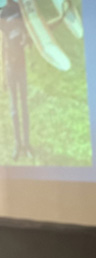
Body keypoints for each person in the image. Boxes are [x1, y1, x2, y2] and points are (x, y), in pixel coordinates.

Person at [0, 0, 33, 161]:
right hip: (10, 68)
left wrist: (27, 41)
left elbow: (27, 32)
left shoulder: (20, 9)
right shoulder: (2, 13)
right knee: (14, 110)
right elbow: (3, 44)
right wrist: (3, 77)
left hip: (21, 65)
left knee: (24, 106)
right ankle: (17, 144)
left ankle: (26, 145)